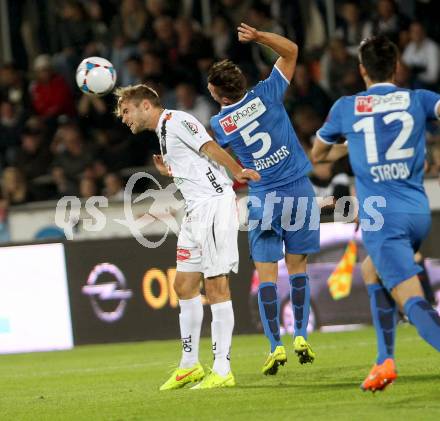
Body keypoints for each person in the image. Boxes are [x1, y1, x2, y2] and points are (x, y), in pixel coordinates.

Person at [312, 35, 440, 392]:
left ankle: (388, 358)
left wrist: (346, 147)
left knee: (411, 301)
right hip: (417, 210)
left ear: (361, 69)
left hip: (383, 218)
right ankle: (384, 360)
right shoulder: (418, 99)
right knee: (371, 271)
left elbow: (317, 156)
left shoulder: (346, 108)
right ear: (397, 66)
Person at [114, 84, 260, 390]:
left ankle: (222, 369)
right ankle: (190, 366)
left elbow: (208, 147)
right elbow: (196, 163)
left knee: (217, 286)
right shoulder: (164, 131)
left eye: (126, 110)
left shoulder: (178, 120)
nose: (122, 117)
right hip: (195, 210)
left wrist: (237, 171)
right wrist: (171, 172)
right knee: (183, 285)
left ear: (145, 106)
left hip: (213, 206)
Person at [207, 23, 320, 375]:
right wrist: (259, 38)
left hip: (265, 196)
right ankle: (300, 334)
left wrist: (237, 171)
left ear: (220, 95)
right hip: (299, 190)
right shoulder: (268, 93)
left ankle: (275, 347)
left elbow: (211, 152)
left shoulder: (220, 123)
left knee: (267, 276)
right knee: (298, 268)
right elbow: (292, 50)